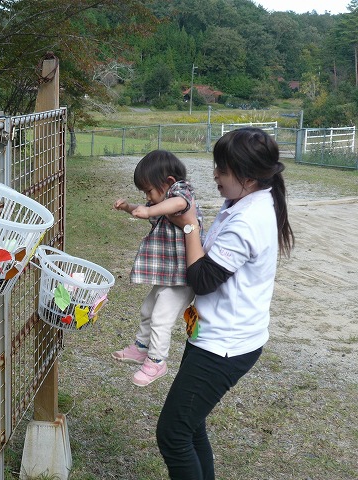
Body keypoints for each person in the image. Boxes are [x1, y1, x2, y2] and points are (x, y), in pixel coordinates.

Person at [156, 127, 295, 479]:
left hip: (224, 346)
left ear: (249, 176)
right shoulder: (247, 199)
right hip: (212, 333)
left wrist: (189, 227)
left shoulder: (248, 220)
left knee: (173, 434)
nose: (214, 175)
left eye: (222, 169)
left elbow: (201, 279)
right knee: (191, 426)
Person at [111, 150, 203, 386]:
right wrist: (128, 207)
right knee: (148, 308)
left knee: (162, 318)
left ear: (169, 182)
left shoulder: (182, 192)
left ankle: (157, 361)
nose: (148, 198)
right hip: (169, 276)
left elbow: (180, 203)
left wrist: (151, 209)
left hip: (182, 279)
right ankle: (142, 347)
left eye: (149, 191)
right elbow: (145, 210)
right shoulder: (162, 206)